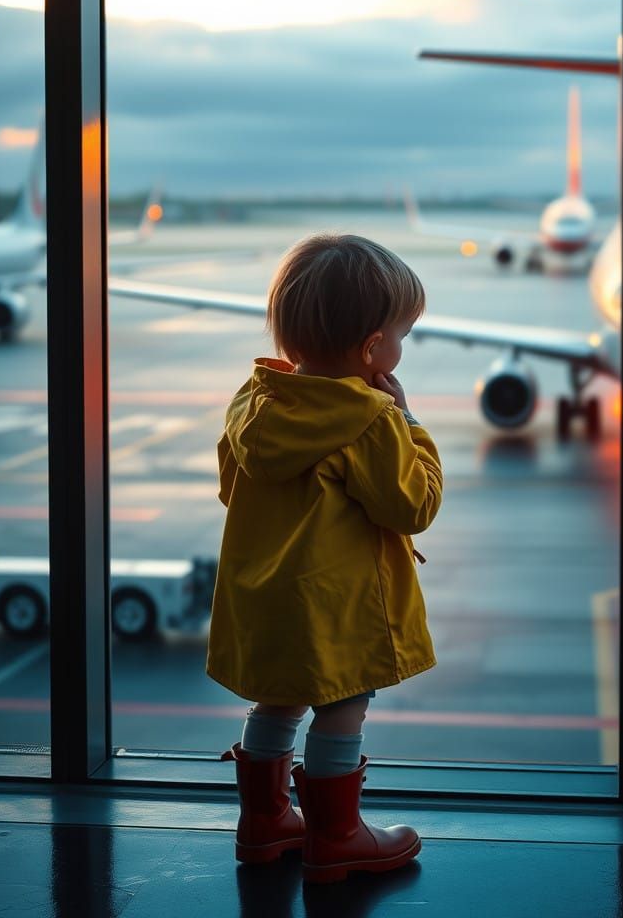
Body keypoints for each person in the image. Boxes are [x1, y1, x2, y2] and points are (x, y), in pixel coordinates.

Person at [209, 233, 443, 883]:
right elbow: (413, 506)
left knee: (275, 703)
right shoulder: (368, 419)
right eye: (402, 334)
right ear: (373, 350)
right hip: (333, 604)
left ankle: (263, 822)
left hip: (263, 597)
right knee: (343, 704)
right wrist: (408, 423)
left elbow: (234, 489)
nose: (401, 348)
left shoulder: (252, 402)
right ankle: (337, 836)